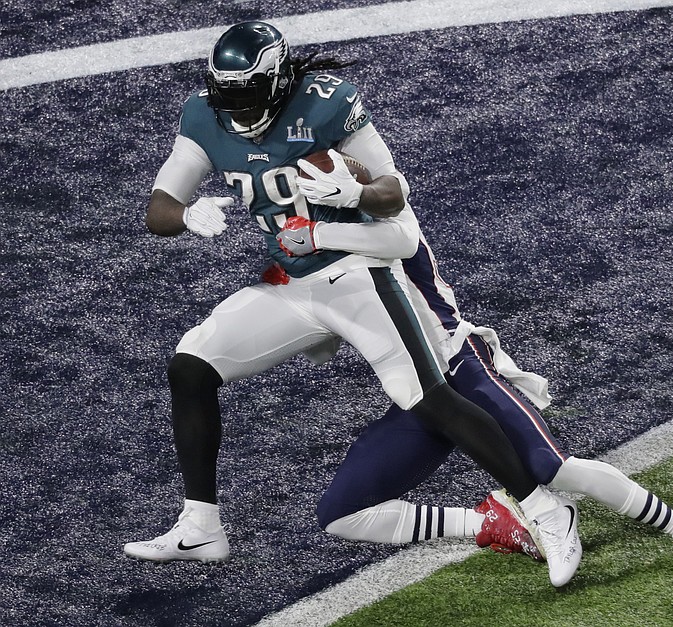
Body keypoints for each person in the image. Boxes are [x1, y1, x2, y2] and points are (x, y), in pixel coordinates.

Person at [123, 20, 582, 587]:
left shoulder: (326, 104)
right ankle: (202, 526)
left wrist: (355, 193)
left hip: (357, 272)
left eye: (248, 95)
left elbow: (394, 193)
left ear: (277, 80)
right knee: (190, 366)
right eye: (229, 97)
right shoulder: (205, 114)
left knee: (425, 396)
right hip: (292, 284)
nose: (238, 112)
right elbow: (158, 206)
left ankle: (543, 508)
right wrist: (186, 215)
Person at [275, 188, 673, 571]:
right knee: (341, 514)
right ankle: (491, 524)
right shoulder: (320, 255)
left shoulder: (383, 224)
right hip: (418, 393)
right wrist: (299, 300)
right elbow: (322, 345)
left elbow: (398, 234)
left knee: (553, 468)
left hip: (460, 363)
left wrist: (321, 232)